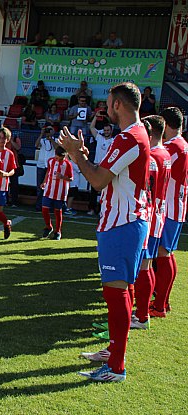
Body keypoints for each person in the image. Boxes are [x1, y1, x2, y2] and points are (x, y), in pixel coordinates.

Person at [60, 81, 149, 382]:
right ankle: (113, 353)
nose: (106, 108)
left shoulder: (130, 139)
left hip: (122, 224)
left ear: (118, 105)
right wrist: (84, 156)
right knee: (116, 291)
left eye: (109, 103)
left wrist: (75, 154)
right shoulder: (134, 136)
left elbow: (97, 181)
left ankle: (116, 367)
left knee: (116, 292)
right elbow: (109, 175)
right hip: (121, 222)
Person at [130, 115, 171, 329]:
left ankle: (142, 316)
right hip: (159, 214)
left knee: (144, 266)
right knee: (147, 265)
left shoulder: (152, 157)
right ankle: (142, 312)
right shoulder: (165, 154)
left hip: (149, 215)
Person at [150, 107, 188, 318]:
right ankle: (163, 301)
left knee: (163, 255)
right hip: (177, 205)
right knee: (167, 255)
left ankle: (159, 305)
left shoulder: (173, 147)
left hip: (169, 207)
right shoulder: (182, 144)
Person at [40, 146, 73, 240]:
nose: (58, 159)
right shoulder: (50, 161)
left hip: (60, 191)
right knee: (44, 209)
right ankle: (48, 226)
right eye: (57, 157)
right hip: (49, 188)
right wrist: (44, 182)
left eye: (60, 158)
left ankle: (58, 232)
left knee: (57, 212)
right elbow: (48, 171)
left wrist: (63, 177)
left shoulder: (68, 164)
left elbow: (71, 178)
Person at [0, 127, 17, 239]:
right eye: (0, 137)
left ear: (8, 140)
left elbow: (13, 170)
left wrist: (6, 174)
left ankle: (6, 223)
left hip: (1, 186)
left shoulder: (9, 154)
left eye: (4, 138)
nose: (1, 140)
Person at [87, 115, 115, 215]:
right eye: (105, 130)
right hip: (97, 165)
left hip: (106, 167)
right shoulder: (99, 138)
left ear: (111, 131)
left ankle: (102, 210)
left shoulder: (114, 141)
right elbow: (91, 128)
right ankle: (91, 209)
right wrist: (96, 116)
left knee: (105, 190)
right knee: (94, 189)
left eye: (108, 130)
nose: (106, 132)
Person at [7, 133, 23, 207]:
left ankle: (14, 201)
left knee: (14, 184)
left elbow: (18, 148)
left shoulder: (16, 138)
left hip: (14, 164)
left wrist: (11, 140)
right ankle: (5, 200)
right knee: (4, 184)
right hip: (4, 165)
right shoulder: (1, 139)